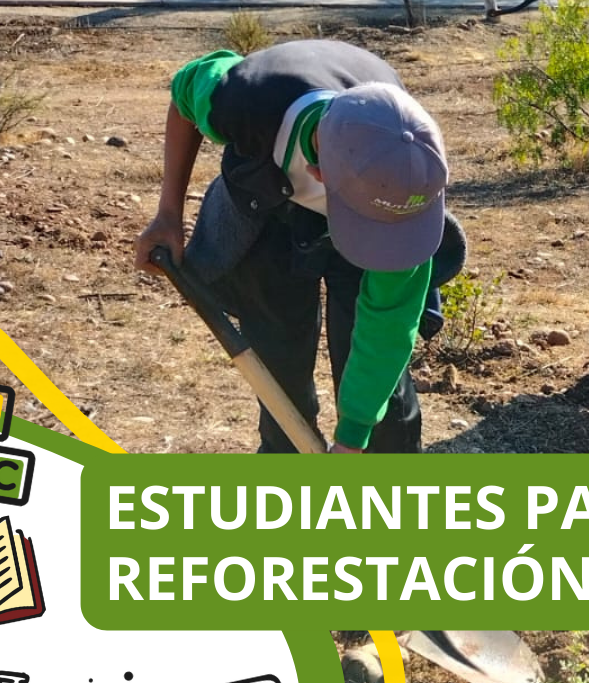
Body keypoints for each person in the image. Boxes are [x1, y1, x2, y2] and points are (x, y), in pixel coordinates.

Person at [134, 39, 466, 454]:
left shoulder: (406, 170)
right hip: (265, 212)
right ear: (317, 172)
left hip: (369, 192)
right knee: (279, 369)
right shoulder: (245, 99)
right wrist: (168, 214)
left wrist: (353, 437)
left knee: (382, 395)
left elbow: (389, 324)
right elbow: (185, 92)